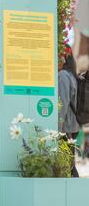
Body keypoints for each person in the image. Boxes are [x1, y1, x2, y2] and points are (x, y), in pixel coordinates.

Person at [58, 45, 80, 177]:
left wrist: (57, 129)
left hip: (65, 128)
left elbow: (62, 103)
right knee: (69, 166)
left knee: (67, 168)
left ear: (64, 58)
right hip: (73, 127)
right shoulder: (72, 75)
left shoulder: (63, 76)